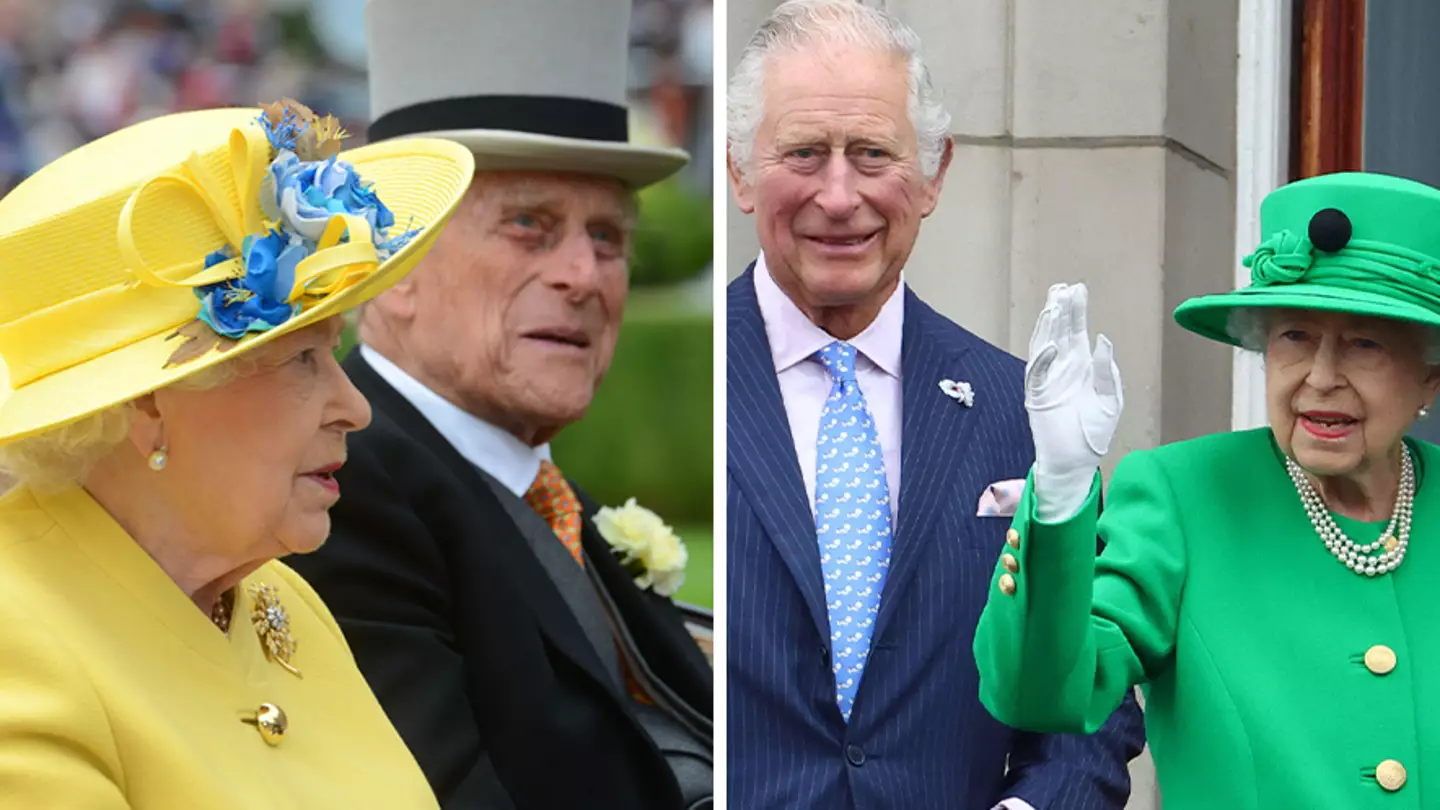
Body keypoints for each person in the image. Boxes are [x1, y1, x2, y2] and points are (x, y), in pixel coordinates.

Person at [284, 2, 714, 809]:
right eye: (528, 225)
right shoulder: (340, 492)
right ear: (393, 267)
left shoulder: (540, 492)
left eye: (607, 239)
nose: (585, 277)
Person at [724, 2, 1145, 808]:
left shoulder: (1019, 413)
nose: (839, 195)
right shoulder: (685, 379)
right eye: (805, 153)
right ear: (741, 172)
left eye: (873, 153)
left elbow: (1085, 710)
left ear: (934, 176)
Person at [0, 103, 473, 806]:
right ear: (152, 403)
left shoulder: (280, 597)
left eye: (332, 350)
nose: (357, 408)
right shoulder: (18, 645)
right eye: (302, 359)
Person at [974, 171, 1440, 808]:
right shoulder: (1185, 497)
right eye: (1295, 337)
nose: (1322, 377)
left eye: (1365, 344)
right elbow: (1050, 691)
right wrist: (1059, 488)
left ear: (1430, 378)